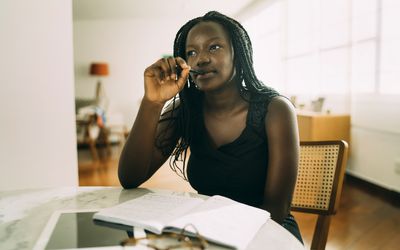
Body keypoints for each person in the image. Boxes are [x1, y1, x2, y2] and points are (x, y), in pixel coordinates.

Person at [118, 11, 303, 243]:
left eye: (214, 47)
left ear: (238, 53)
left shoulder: (276, 110)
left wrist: (214, 237)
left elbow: (277, 208)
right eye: (191, 52)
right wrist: (152, 103)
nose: (201, 59)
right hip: (206, 229)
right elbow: (130, 177)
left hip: (265, 231)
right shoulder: (184, 111)